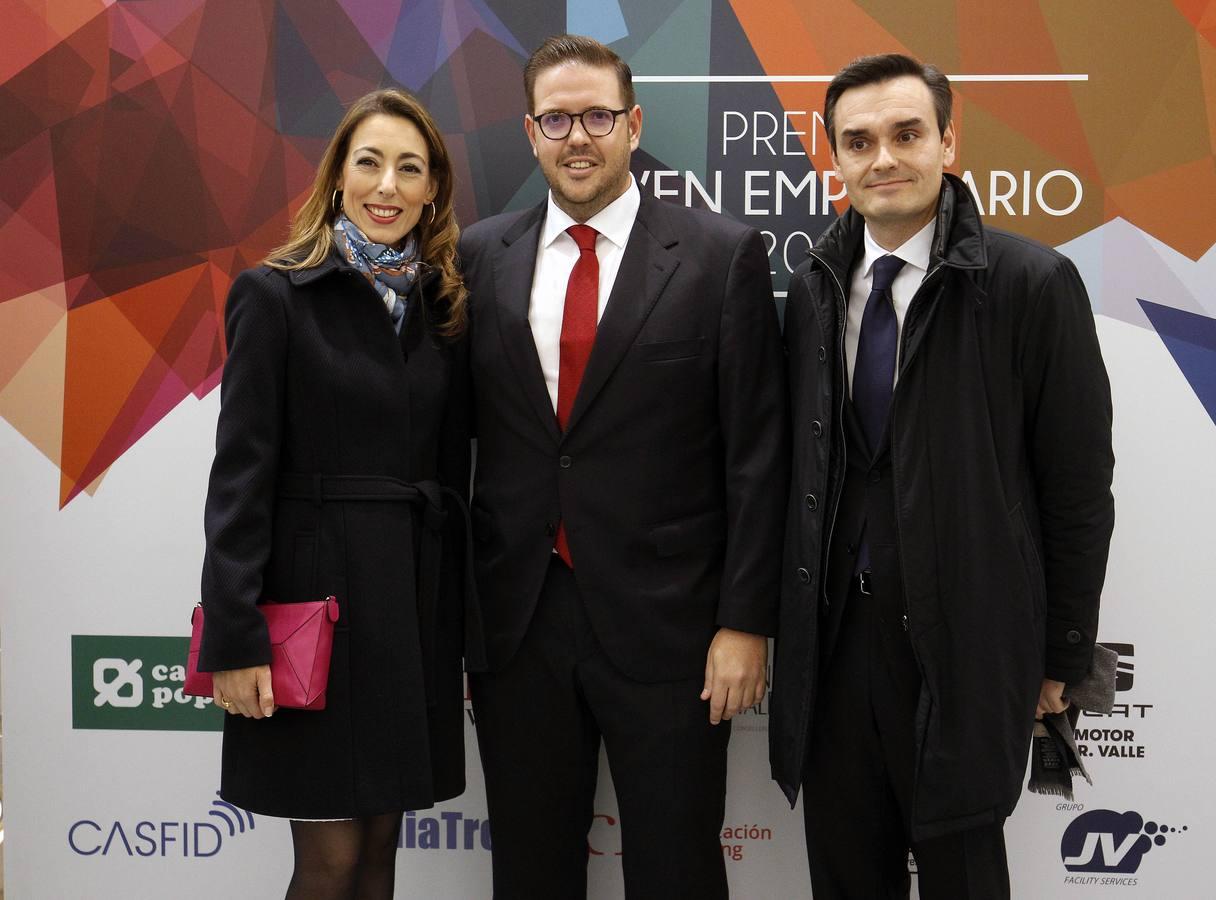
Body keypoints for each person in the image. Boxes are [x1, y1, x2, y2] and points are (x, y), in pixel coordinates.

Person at [769, 54, 1115, 899]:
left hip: (962, 645)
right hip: (834, 651)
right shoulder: (812, 290)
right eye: (858, 141)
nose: (882, 157)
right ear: (834, 159)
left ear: (948, 142)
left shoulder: (1032, 284)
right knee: (847, 876)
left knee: (965, 874)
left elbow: (1077, 489)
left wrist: (1060, 652)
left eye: (905, 134)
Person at [458, 33, 788, 900]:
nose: (578, 137)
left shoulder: (720, 257)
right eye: (556, 119)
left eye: (597, 115)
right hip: (518, 626)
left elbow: (758, 456)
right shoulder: (480, 256)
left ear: (634, 123)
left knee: (676, 870)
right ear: (530, 133)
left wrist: (746, 621)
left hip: (674, 629)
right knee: (530, 871)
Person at [197, 88, 471, 900]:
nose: (387, 185)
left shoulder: (443, 307)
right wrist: (235, 639)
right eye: (369, 162)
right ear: (339, 178)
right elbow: (238, 479)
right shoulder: (274, 293)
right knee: (330, 862)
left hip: (408, 615)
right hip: (310, 611)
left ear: (432, 191)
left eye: (409, 168)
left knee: (380, 851)